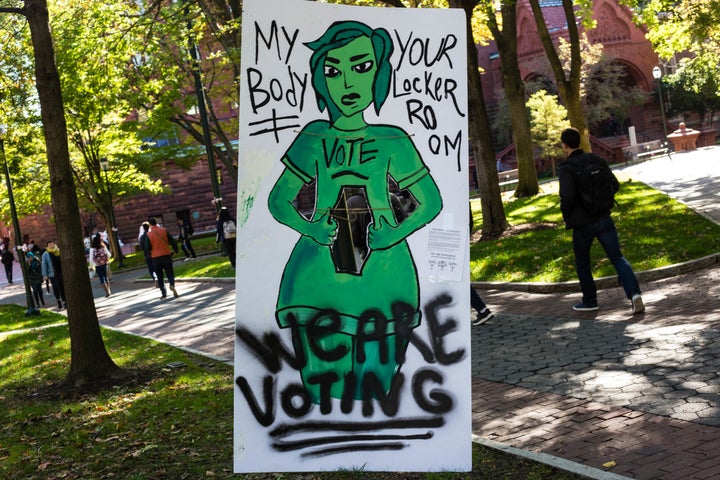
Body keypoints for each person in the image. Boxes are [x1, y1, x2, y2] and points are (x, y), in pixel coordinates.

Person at [266, 21, 443, 403]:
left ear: (380, 73)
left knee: (375, 387)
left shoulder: (391, 139)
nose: (347, 84)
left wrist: (394, 234)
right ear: (320, 80)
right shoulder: (314, 136)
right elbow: (278, 201)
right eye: (333, 71)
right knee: (321, 390)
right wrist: (310, 229)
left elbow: (431, 201)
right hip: (317, 279)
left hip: (384, 277)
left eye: (361, 67)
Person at [558, 127, 644, 313]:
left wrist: (567, 216)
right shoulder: (596, 159)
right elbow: (614, 184)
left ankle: (590, 300)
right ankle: (634, 294)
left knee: (583, 262)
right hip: (604, 217)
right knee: (617, 257)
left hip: (582, 224)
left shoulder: (566, 168)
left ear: (564, 145)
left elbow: (567, 196)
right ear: (579, 141)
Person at [143, 217, 179, 299]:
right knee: (170, 273)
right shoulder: (164, 230)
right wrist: (176, 250)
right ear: (156, 223)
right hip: (166, 255)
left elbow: (146, 248)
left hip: (156, 257)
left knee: (159, 276)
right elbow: (172, 241)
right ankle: (172, 285)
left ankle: (163, 293)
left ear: (149, 225)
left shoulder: (149, 234)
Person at [41, 241, 66, 309]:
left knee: (62, 287)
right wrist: (45, 275)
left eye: (52, 244)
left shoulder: (59, 251)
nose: (51, 246)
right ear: (47, 246)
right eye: (50, 245)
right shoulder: (45, 254)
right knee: (56, 288)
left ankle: (64, 301)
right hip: (52, 274)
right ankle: (58, 300)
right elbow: (44, 265)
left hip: (61, 272)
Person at [138, 222, 157, 287]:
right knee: (156, 266)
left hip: (147, 254)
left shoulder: (142, 237)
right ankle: (157, 277)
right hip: (154, 253)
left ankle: (154, 278)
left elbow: (142, 247)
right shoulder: (152, 234)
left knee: (151, 267)